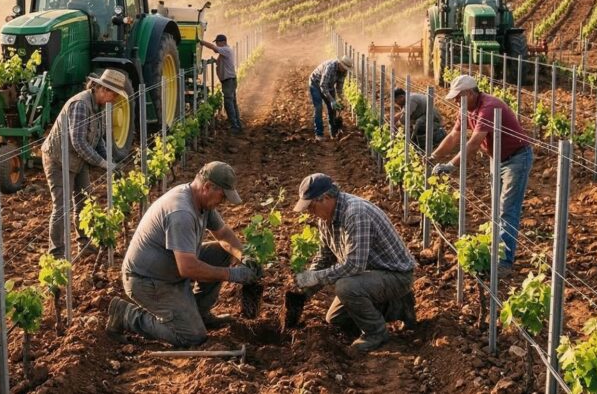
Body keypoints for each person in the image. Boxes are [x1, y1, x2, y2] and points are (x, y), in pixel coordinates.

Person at [107, 161, 259, 346]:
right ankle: (126, 315)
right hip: (148, 280)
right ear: (207, 187)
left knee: (220, 252)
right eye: (223, 196)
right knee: (192, 337)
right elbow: (187, 268)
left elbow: (224, 234)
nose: (223, 201)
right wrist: (232, 274)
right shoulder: (182, 212)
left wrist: (244, 257)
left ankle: (200, 313)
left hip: (170, 270)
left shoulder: (200, 201)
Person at [292, 173, 417, 353]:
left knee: (345, 287)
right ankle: (399, 307)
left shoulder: (355, 213)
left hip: (396, 276)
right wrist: (305, 291)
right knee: (335, 319)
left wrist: (314, 278)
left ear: (326, 198)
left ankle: (376, 333)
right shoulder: (325, 220)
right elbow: (324, 258)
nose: (310, 213)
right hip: (371, 277)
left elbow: (354, 266)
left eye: (311, 207)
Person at [430, 75, 533, 272]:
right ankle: (497, 252)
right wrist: (434, 157)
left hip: (517, 159)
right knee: (497, 208)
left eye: (458, 97)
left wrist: (451, 165)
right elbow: (454, 136)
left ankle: (504, 262)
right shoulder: (466, 109)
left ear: (469, 93)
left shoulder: (489, 107)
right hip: (497, 158)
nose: (456, 102)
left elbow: (474, 143)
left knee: (507, 209)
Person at [41, 69, 128, 258]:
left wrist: (109, 161)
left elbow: (97, 138)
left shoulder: (100, 106)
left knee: (85, 200)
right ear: (102, 89)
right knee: (62, 207)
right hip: (58, 159)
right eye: (112, 94)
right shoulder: (80, 105)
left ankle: (85, 243)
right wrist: (102, 164)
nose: (113, 99)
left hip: (77, 158)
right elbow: (78, 142)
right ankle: (56, 254)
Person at [200, 34, 242, 132]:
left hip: (229, 81)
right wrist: (214, 61)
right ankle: (237, 124)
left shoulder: (226, 50)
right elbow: (220, 62)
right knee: (232, 102)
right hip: (229, 80)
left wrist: (201, 42)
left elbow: (213, 48)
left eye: (218, 42)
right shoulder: (224, 52)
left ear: (223, 42)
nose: (217, 45)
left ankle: (235, 126)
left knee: (228, 103)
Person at [308, 56, 353, 141]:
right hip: (316, 83)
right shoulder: (330, 67)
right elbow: (323, 85)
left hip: (329, 86)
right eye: (344, 68)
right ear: (340, 64)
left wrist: (340, 100)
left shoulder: (344, 72)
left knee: (332, 109)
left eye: (347, 68)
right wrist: (332, 100)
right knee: (318, 107)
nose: (345, 70)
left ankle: (334, 133)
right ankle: (319, 134)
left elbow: (339, 88)